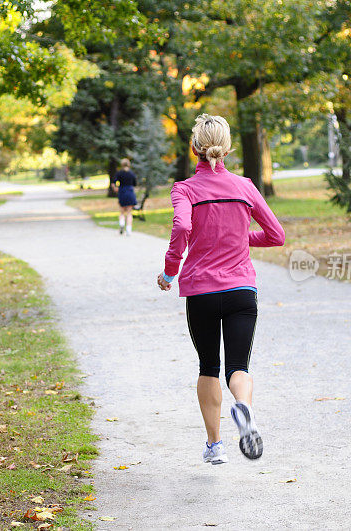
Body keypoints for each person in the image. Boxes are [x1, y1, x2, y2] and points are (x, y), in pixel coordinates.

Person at [157, 114, 285, 465]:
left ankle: (215, 446)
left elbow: (183, 225)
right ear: (226, 147)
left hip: (201, 292)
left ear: (194, 147)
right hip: (242, 289)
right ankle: (243, 407)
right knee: (238, 367)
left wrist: (170, 271)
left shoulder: (184, 189)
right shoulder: (244, 186)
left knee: (208, 366)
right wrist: (241, 238)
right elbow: (276, 235)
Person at [112, 159, 137, 236]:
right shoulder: (132, 173)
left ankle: (122, 224)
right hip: (130, 192)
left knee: (122, 212)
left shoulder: (119, 173)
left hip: (122, 192)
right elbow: (135, 184)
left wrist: (115, 189)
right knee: (129, 213)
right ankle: (128, 230)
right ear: (128, 164)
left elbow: (113, 183)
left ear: (122, 164)